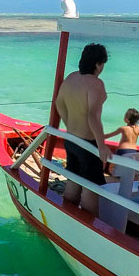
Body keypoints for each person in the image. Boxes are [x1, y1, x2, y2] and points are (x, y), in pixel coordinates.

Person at [54, 43, 110, 216]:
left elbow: (59, 104)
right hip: (88, 143)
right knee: (90, 188)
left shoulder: (71, 78)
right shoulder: (96, 84)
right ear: (97, 64)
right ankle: (90, 225)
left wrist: (69, 123)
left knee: (73, 180)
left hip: (71, 139)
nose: (102, 68)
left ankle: (67, 216)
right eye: (102, 64)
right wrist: (101, 146)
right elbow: (93, 116)